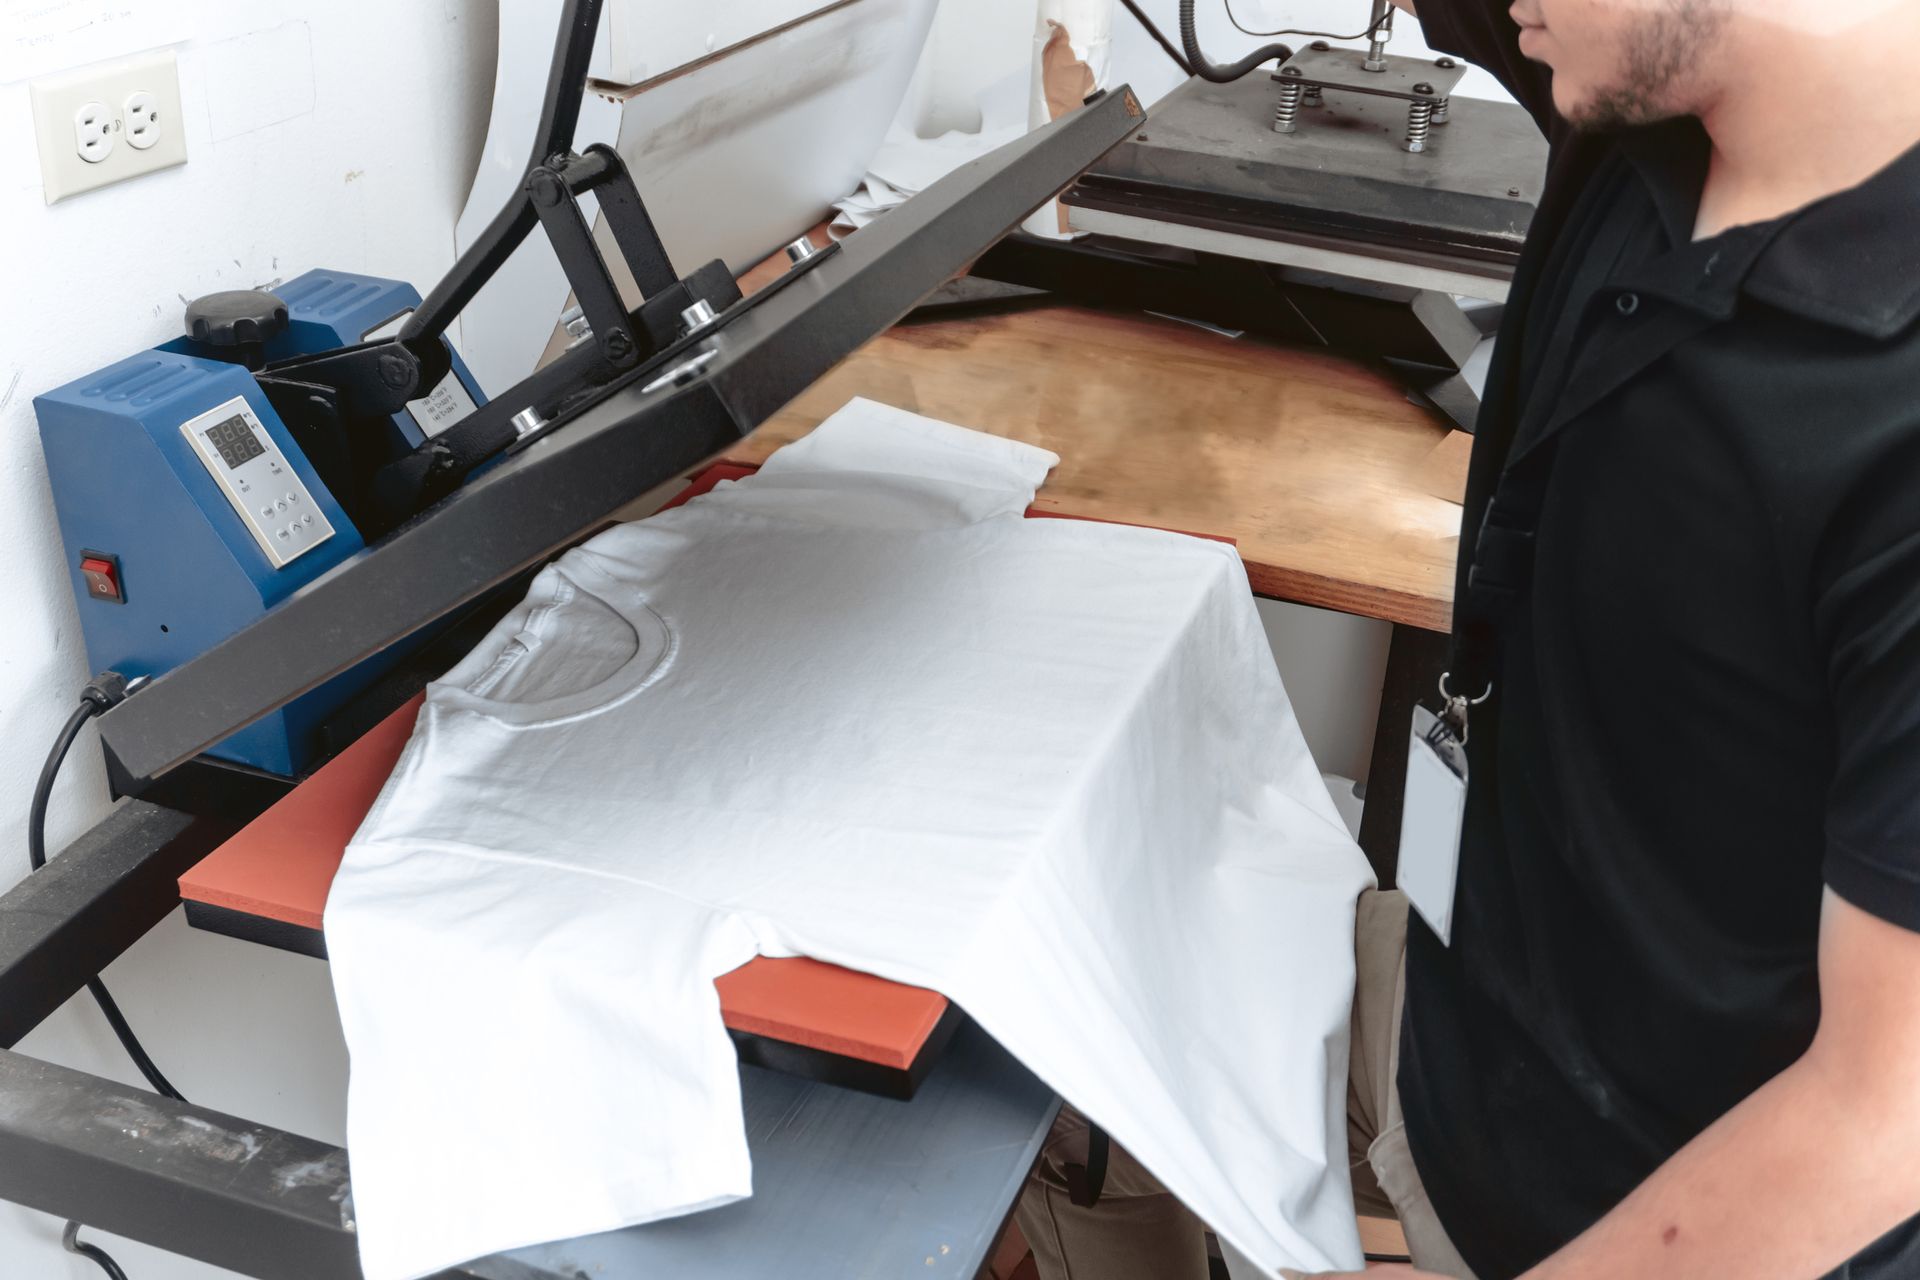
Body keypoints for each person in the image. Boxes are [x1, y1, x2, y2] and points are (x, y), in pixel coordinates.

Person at [1015, 1, 1920, 1277]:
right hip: (1466, 1030)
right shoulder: (1648, 95)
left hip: (1645, 1216)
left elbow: (1882, 1117)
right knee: (1056, 1049)